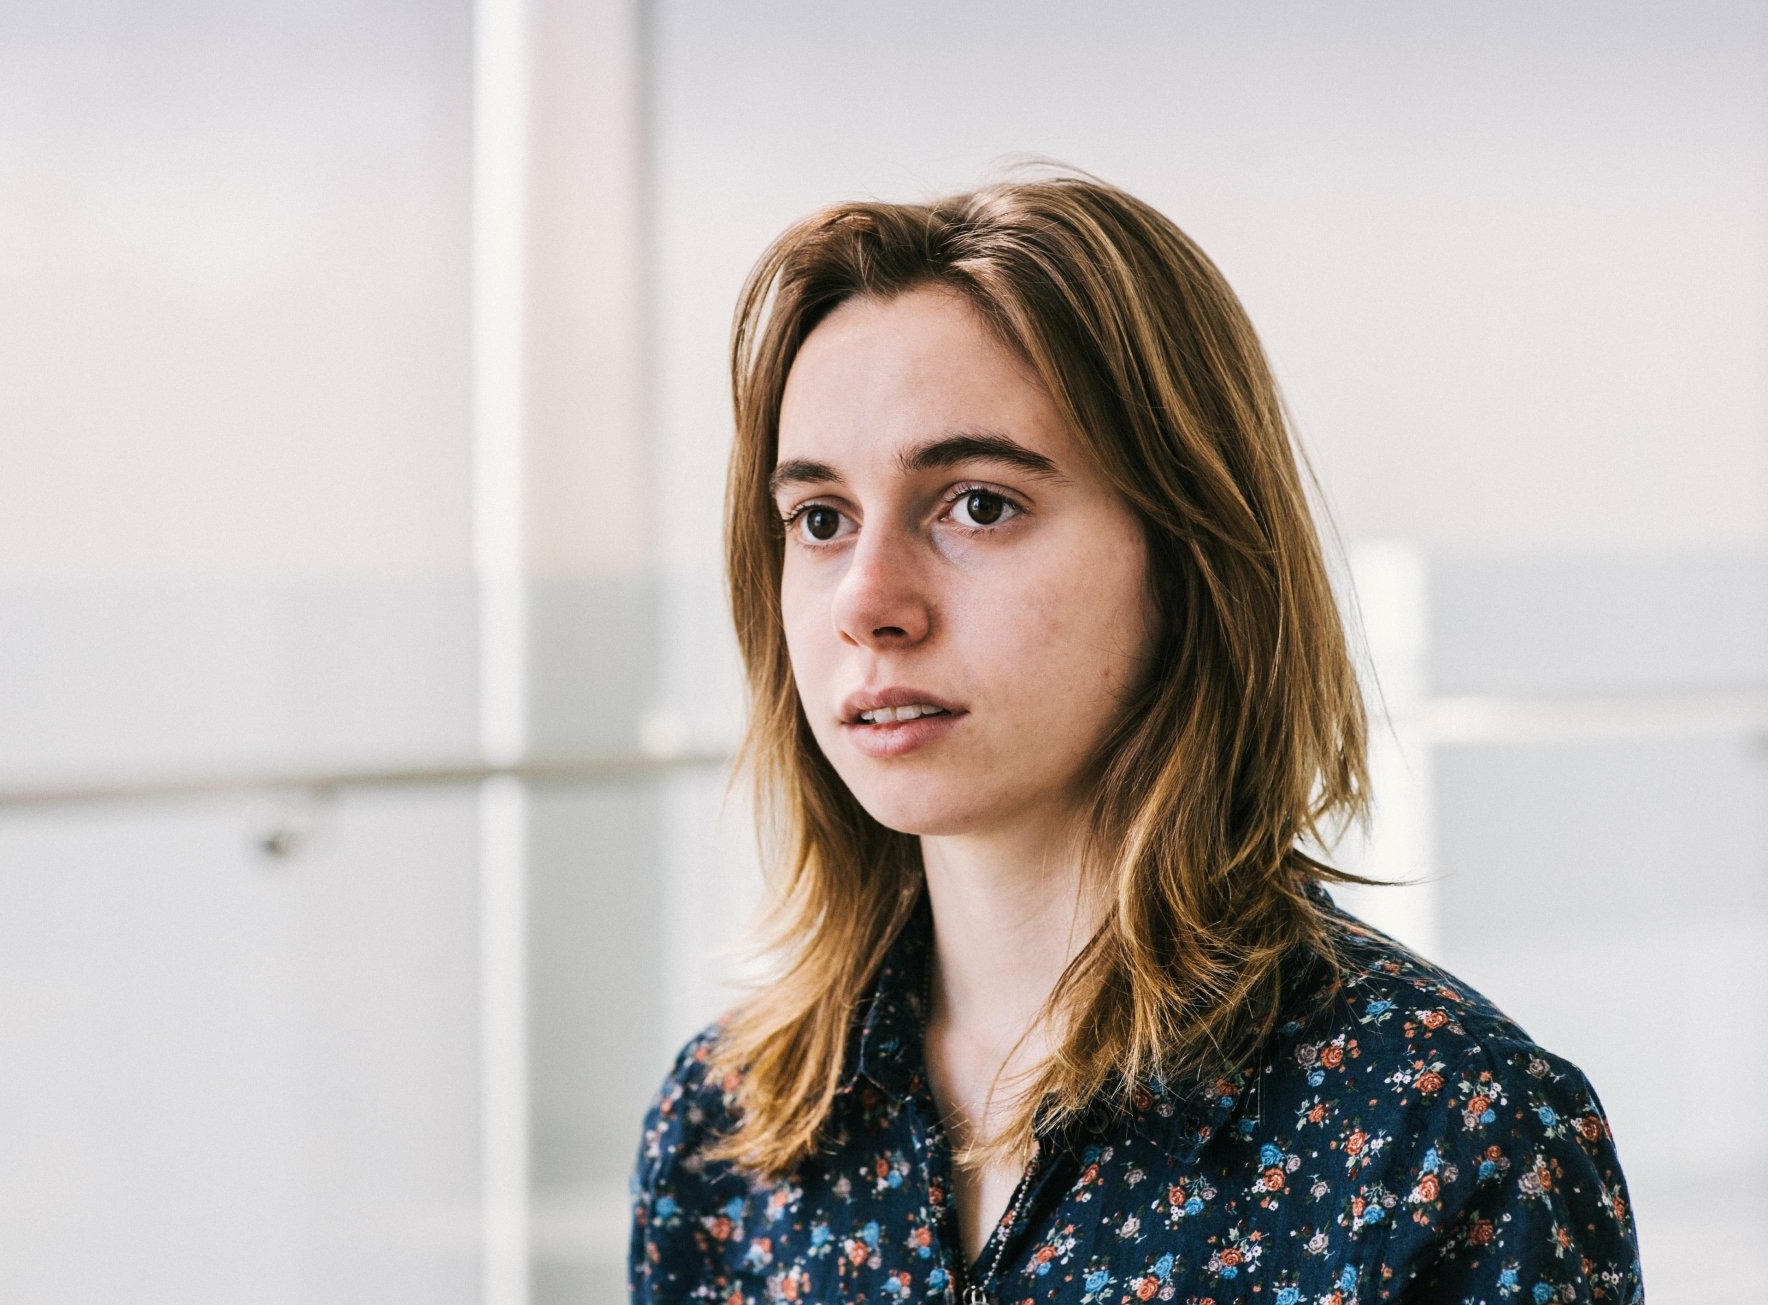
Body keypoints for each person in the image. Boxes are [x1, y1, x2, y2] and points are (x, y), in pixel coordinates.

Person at [629, 168, 1642, 1304]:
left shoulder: (1455, 1140)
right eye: (819, 520)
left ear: (1189, 553)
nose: (868, 601)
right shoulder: (729, 1137)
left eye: (977, 503)